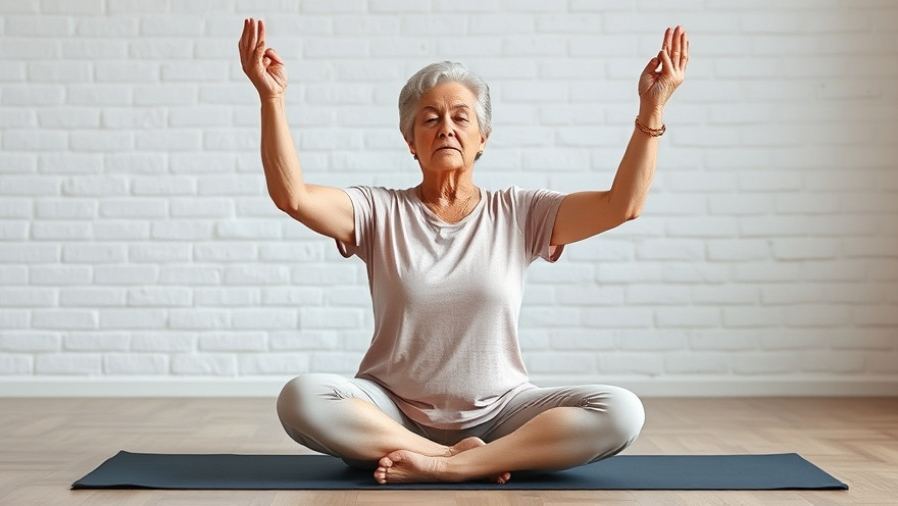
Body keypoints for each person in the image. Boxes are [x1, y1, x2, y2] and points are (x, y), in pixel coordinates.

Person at [238, 18, 689, 485]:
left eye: (460, 117)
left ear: (483, 139)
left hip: (502, 412)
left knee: (621, 411)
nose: (446, 128)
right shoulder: (377, 210)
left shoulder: (521, 212)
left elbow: (623, 205)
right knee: (301, 397)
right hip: (391, 412)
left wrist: (652, 108)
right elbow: (292, 196)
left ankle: (450, 463)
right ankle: (451, 456)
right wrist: (272, 98)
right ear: (411, 142)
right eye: (429, 119)